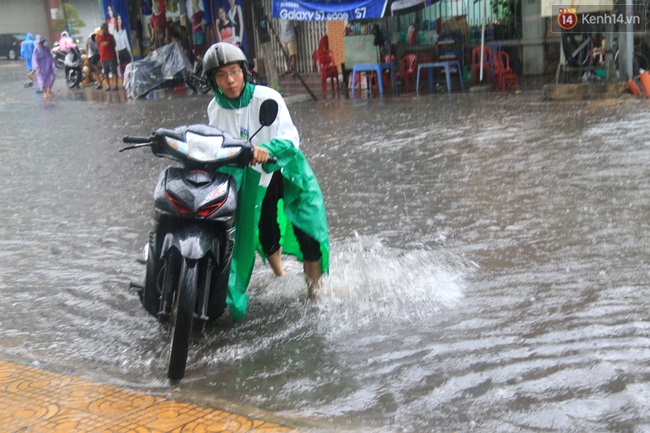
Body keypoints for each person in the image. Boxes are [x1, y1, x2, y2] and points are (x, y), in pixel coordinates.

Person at [202, 42, 330, 319]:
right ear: (213, 81)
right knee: (266, 229)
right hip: (252, 180)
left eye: (234, 72)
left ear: (244, 71)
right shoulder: (215, 108)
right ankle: (280, 275)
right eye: (221, 76)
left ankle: (315, 296)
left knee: (308, 231)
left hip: (285, 170)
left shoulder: (267, 98)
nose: (230, 80)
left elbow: (290, 138)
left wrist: (267, 150)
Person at [96, 23, 118, 91]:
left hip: (111, 56)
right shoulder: (98, 37)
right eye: (105, 29)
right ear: (102, 29)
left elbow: (114, 44)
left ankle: (115, 85)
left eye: (107, 29)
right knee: (105, 72)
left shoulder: (110, 36)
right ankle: (108, 85)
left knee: (113, 71)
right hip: (103, 57)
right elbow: (98, 46)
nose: (106, 31)